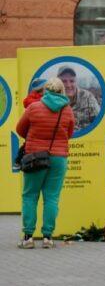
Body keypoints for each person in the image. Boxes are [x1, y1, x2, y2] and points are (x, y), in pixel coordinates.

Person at [15, 78, 75, 249]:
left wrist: (35, 135)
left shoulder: (34, 108)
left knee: (30, 196)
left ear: (45, 91)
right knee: (52, 198)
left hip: (35, 157)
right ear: (62, 91)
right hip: (58, 158)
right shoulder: (67, 110)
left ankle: (28, 238)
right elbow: (69, 133)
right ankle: (48, 237)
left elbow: (20, 129)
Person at [57, 66, 100, 132]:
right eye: (64, 81)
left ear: (76, 82)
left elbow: (99, 124)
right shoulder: (51, 100)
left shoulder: (88, 97)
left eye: (72, 81)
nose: (68, 85)